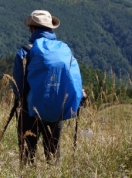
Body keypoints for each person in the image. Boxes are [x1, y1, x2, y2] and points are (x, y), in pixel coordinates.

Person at [11, 10, 84, 164]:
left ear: (31, 29)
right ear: (51, 29)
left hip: (29, 112)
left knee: (27, 156)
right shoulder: (63, 50)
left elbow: (19, 89)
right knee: (53, 156)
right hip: (56, 110)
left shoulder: (25, 52)